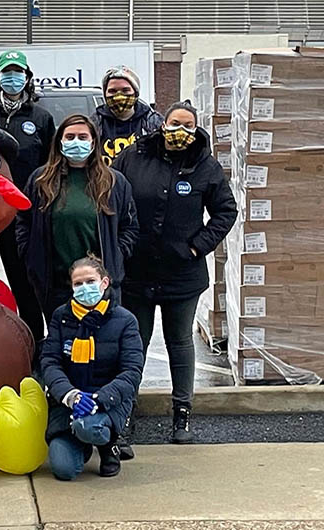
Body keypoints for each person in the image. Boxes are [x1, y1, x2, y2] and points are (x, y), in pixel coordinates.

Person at [112, 100, 236, 443]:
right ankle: (126, 412)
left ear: (196, 130)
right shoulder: (134, 157)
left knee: (179, 342)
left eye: (188, 126)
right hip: (136, 270)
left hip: (182, 273)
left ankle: (182, 414)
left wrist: (197, 246)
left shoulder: (206, 167)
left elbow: (226, 211)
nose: (180, 131)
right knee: (133, 343)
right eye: (175, 124)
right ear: (162, 125)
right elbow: (112, 198)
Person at [17, 114, 139, 325]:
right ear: (60, 141)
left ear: (93, 142)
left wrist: (116, 254)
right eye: (70, 136)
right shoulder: (40, 180)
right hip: (54, 284)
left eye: (83, 137)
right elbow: (23, 220)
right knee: (62, 346)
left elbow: (129, 226)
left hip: (99, 285)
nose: (76, 142)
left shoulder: (114, 182)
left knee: (103, 345)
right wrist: (30, 254)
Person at [41, 256, 144, 480]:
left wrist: (99, 399)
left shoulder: (125, 320)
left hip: (108, 402)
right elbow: (50, 362)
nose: (84, 288)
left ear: (104, 282)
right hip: (69, 402)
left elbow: (132, 371)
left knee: (88, 426)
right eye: (78, 284)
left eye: (90, 281)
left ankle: (109, 446)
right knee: (63, 470)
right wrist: (70, 396)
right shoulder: (61, 317)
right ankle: (82, 443)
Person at [0, 49, 56, 343]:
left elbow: (52, 164)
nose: (12, 78)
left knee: (25, 282)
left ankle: (34, 346)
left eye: (18, 72)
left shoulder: (40, 117)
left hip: (22, 213)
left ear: (27, 78)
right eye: (6, 72)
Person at [91, 65, 163, 165]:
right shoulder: (94, 123)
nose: (118, 96)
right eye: (112, 91)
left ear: (136, 93)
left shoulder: (154, 123)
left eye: (125, 90)